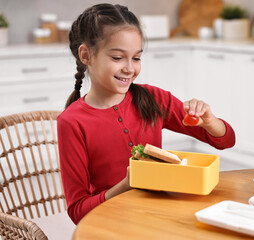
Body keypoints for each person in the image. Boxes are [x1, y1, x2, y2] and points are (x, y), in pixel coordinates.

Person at [57, 3, 236, 225]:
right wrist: (127, 184)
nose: (130, 68)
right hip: (111, 224)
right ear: (86, 55)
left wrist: (209, 121)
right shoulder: (72, 122)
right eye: (117, 57)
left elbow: (226, 141)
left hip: (158, 216)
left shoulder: (153, 99)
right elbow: (78, 212)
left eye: (137, 58)